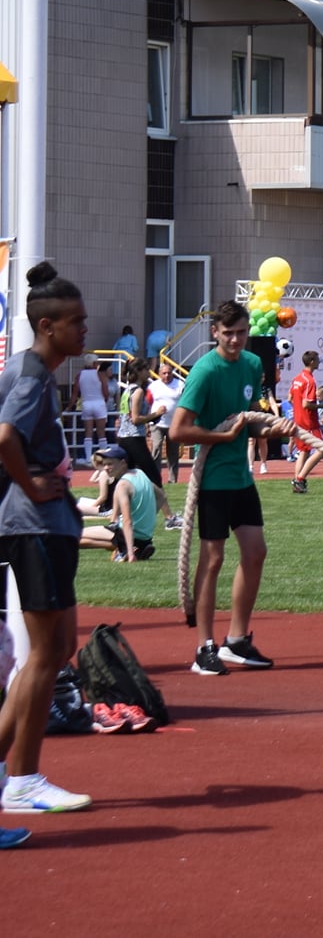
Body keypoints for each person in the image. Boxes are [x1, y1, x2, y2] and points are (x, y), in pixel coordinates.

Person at [0, 262, 95, 817]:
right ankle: (24, 780)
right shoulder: (33, 373)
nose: (84, 330)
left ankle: (9, 770)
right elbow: (5, 437)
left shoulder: (30, 368)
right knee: (43, 655)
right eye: (75, 322)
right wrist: (32, 486)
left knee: (56, 650)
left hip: (46, 525)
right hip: (34, 525)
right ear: (47, 326)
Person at [172, 300, 289, 676]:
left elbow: (249, 420)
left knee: (256, 553)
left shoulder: (252, 364)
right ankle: (204, 646)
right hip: (213, 481)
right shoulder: (205, 371)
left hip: (241, 477)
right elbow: (178, 430)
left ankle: (236, 640)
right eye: (228, 334)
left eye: (240, 333)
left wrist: (272, 427)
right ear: (215, 333)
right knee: (213, 560)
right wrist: (221, 437)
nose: (235, 340)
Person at [77, 445, 161, 563]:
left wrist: (131, 555)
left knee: (73, 535)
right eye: (104, 464)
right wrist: (148, 516)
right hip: (145, 538)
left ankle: (128, 550)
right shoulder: (140, 473)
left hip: (125, 534)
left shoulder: (123, 484)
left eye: (110, 464)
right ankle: (131, 549)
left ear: (123, 463)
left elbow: (127, 521)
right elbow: (162, 497)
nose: (106, 468)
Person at [113, 357, 162, 497]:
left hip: (123, 438)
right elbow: (135, 419)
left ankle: (113, 505)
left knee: (124, 476)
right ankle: (164, 510)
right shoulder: (138, 391)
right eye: (146, 369)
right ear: (139, 371)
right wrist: (156, 414)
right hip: (134, 438)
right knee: (153, 476)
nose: (149, 372)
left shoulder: (127, 390)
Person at [287, 350, 322, 493]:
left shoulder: (297, 378)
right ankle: (300, 479)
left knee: (304, 451)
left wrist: (298, 410)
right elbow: (306, 404)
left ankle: (297, 483)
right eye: (318, 359)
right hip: (309, 422)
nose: (319, 362)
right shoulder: (309, 381)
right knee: (322, 449)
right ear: (312, 362)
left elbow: (290, 398)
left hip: (298, 420)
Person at [148, 358, 183, 488]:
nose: (167, 375)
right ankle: (156, 478)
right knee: (156, 449)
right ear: (159, 374)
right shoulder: (153, 386)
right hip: (157, 423)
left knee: (173, 452)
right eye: (164, 373)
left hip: (174, 424)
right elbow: (148, 403)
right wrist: (147, 420)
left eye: (169, 373)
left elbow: (185, 401)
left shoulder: (180, 384)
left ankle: (172, 479)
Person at [71, 355, 109, 459]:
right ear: (94, 363)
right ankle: (104, 457)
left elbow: (75, 394)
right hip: (99, 403)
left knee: (88, 432)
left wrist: (69, 407)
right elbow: (105, 391)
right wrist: (105, 400)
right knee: (101, 432)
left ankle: (88, 457)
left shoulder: (80, 375)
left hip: (86, 404)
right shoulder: (100, 375)